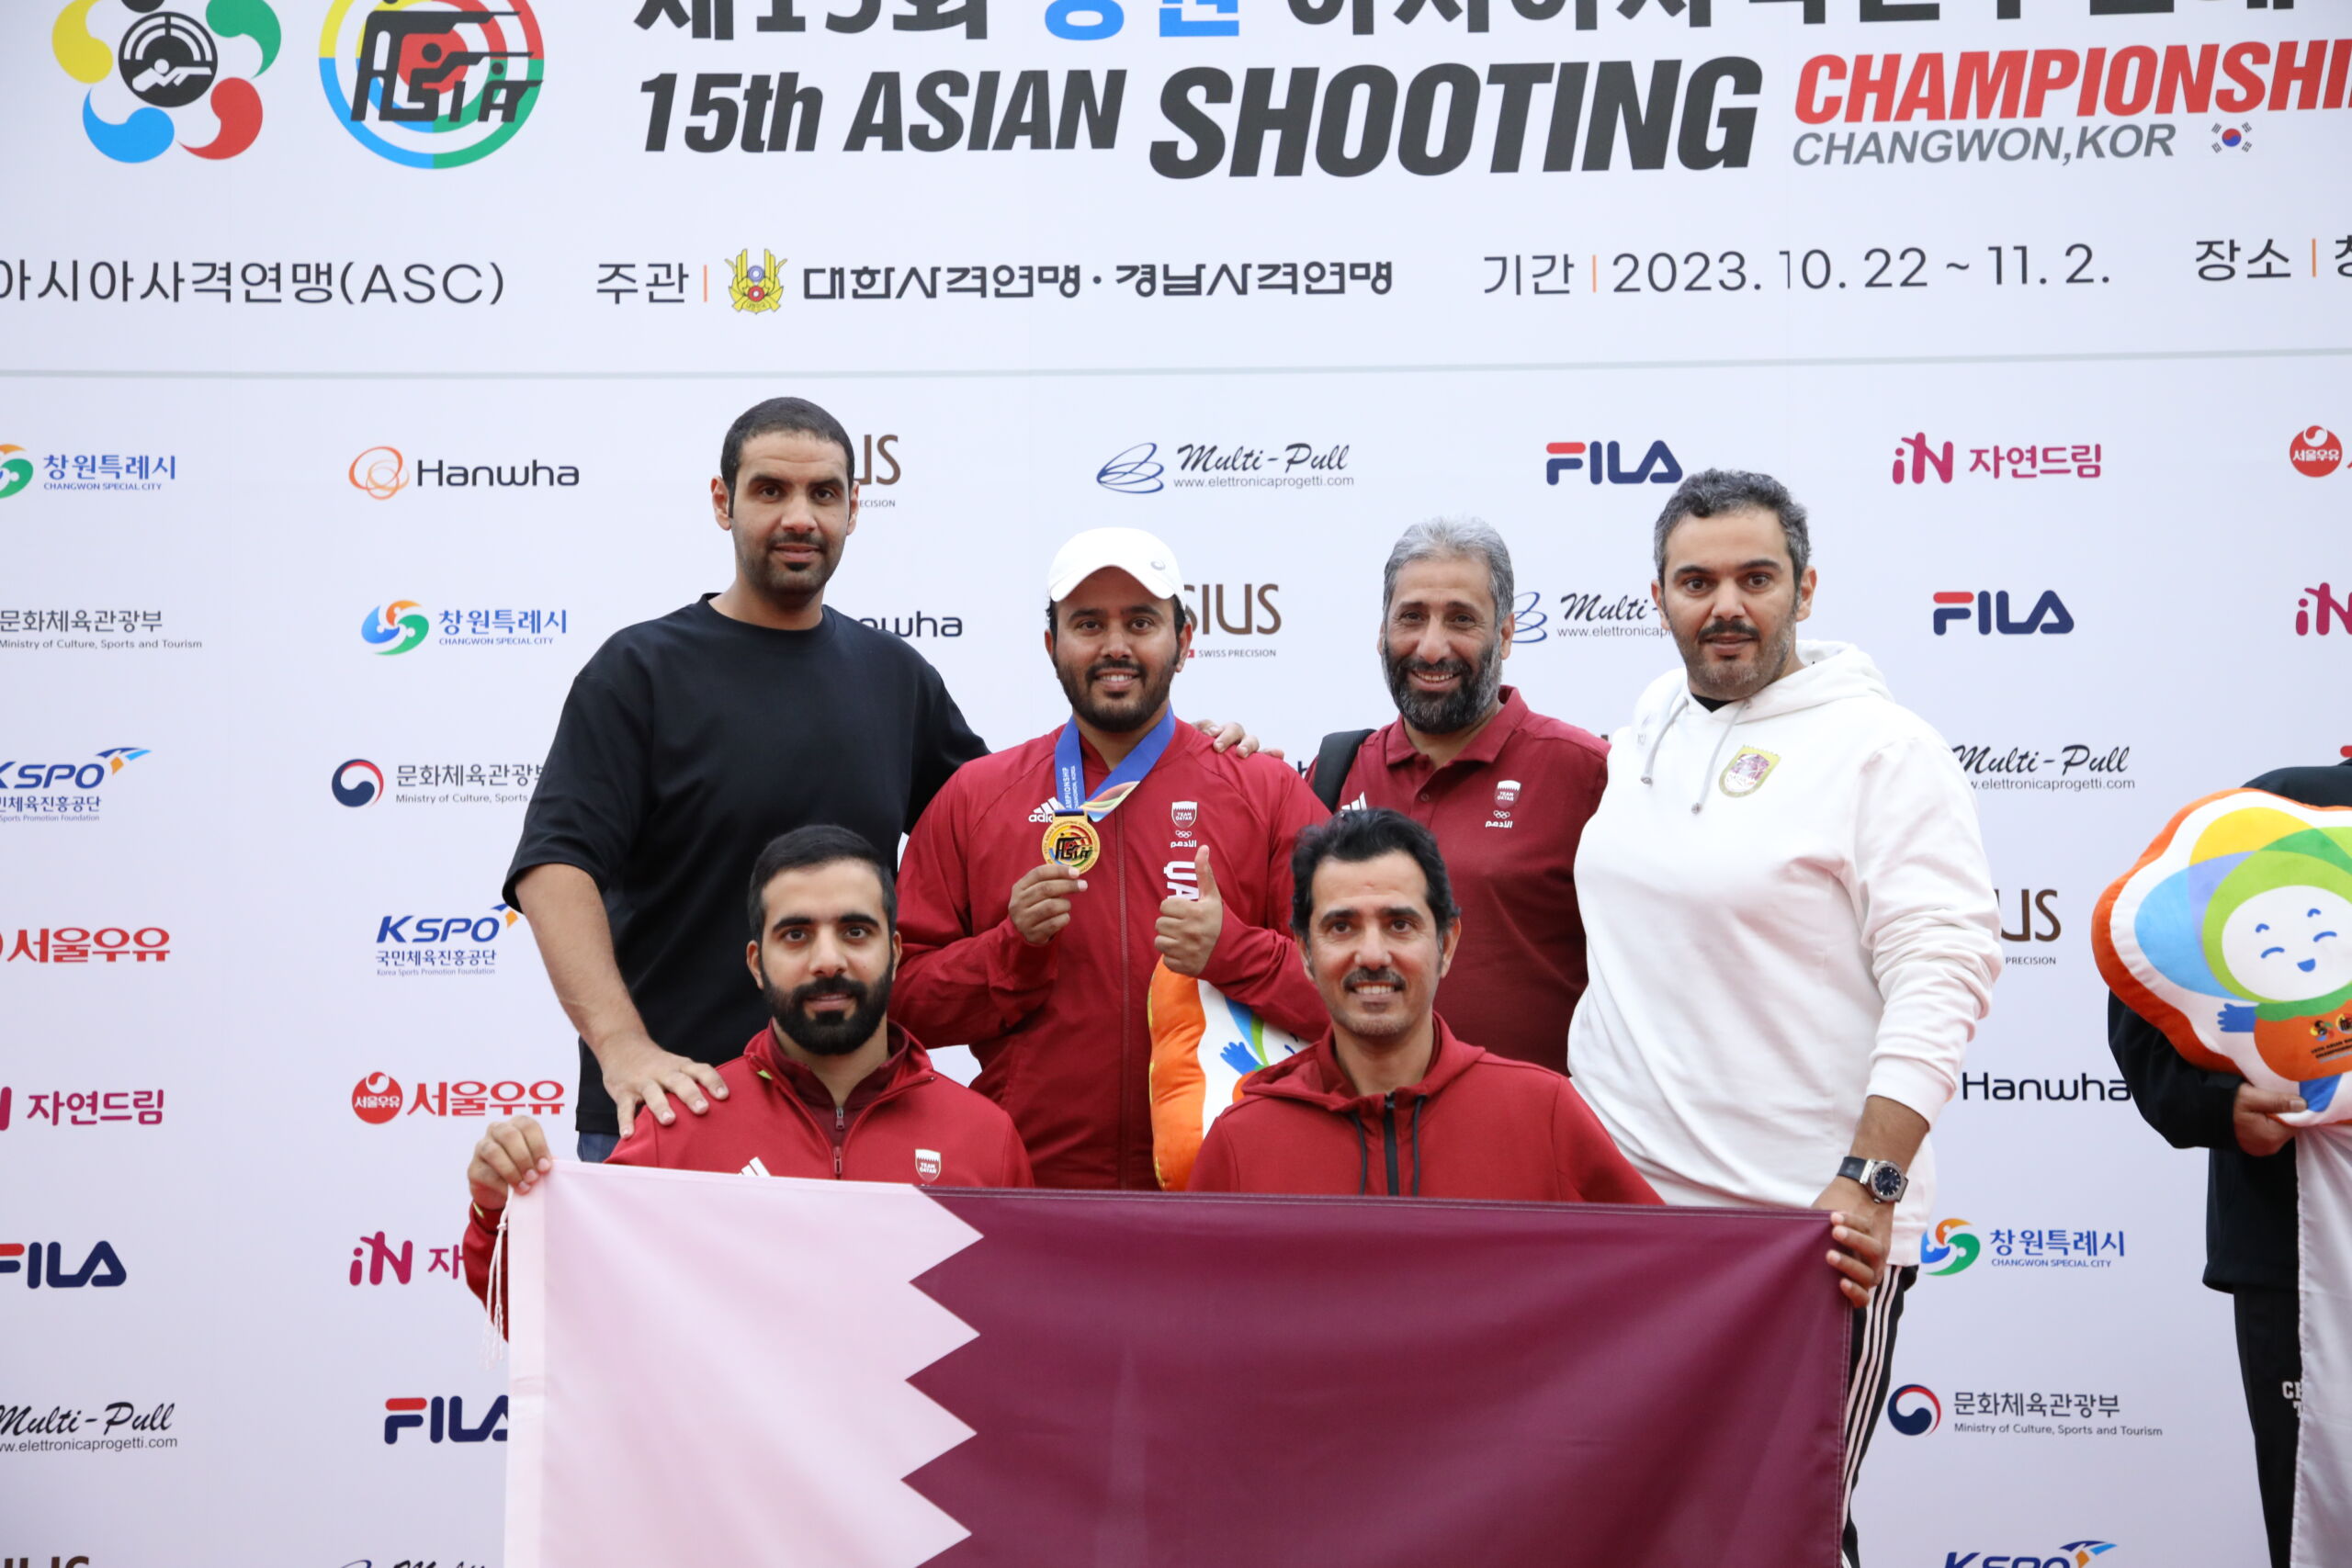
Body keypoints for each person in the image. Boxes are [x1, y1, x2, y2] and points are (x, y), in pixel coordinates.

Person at [504, 399, 1257, 1161]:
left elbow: (1016, 816)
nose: (799, 516)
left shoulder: (894, 677)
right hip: (676, 1112)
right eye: (770, 491)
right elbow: (554, 866)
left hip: (855, 1126)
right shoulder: (639, 673)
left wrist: (1173, 754)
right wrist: (623, 1047)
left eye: (823, 493)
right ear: (722, 502)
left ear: (854, 509)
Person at [1564, 468, 2001, 1568]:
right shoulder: (1646, 728)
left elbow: (1944, 968)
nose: (1726, 607)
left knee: (1780, 1536)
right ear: (1657, 597)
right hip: (1627, 1222)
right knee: (1630, 1526)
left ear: (1804, 590)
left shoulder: (1885, 751)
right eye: (1696, 582)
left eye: (1755, 579)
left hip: (1801, 1238)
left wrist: (1870, 1182)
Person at [893, 526, 1329, 1189]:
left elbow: (1354, 988)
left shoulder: (1264, 791)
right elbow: (899, 1000)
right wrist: (1010, 951)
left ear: (1184, 642)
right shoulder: (976, 798)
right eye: (1089, 623)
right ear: (1052, 644)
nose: (1115, 646)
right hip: (1032, 1189)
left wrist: (1235, 951)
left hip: (1225, 1190)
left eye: (1141, 622)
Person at [463, 827, 1032, 1311]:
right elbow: (558, 1319)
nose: (828, 960)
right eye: (796, 935)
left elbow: (1019, 1339)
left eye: (855, 932)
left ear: (896, 952)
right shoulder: (676, 1134)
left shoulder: (985, 1139)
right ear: (757, 963)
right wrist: (497, 1214)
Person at [2109, 755, 2352, 1568]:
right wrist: (2221, 1104)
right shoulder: (2284, 807)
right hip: (2304, 1257)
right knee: (2320, 1518)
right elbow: (2150, 1011)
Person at [1187, 808, 1657, 1203]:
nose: (1373, 956)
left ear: (1446, 944)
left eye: (1399, 925)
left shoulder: (1544, 1115)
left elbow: (1666, 1266)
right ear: (1306, 953)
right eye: (1342, 927)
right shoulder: (1242, 1141)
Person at [1306, 518, 1609, 1070]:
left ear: (1506, 634)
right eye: (1411, 617)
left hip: (1533, 1119)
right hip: (1364, 1119)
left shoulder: (1588, 773)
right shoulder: (1334, 772)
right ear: (1381, 632)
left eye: (1461, 619)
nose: (1431, 647)